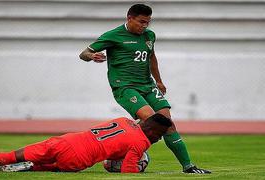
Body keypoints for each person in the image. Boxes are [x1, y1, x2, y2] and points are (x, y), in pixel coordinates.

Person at [79, 4, 210, 174]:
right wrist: (92, 56)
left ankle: (188, 167)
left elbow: (152, 57)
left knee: (167, 123)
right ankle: (120, 147)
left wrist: (159, 81)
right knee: (152, 120)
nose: (144, 26)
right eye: (141, 22)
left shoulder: (149, 36)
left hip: (148, 85)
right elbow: (83, 53)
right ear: (129, 18)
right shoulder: (113, 35)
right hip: (125, 87)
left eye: (147, 22)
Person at [0, 114, 172, 173]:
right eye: (159, 134)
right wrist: (135, 168)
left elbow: (117, 141)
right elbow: (127, 170)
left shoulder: (123, 120)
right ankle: (33, 167)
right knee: (54, 166)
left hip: (69, 139)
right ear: (151, 130)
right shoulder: (141, 142)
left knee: (19, 153)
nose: (159, 138)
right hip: (81, 157)